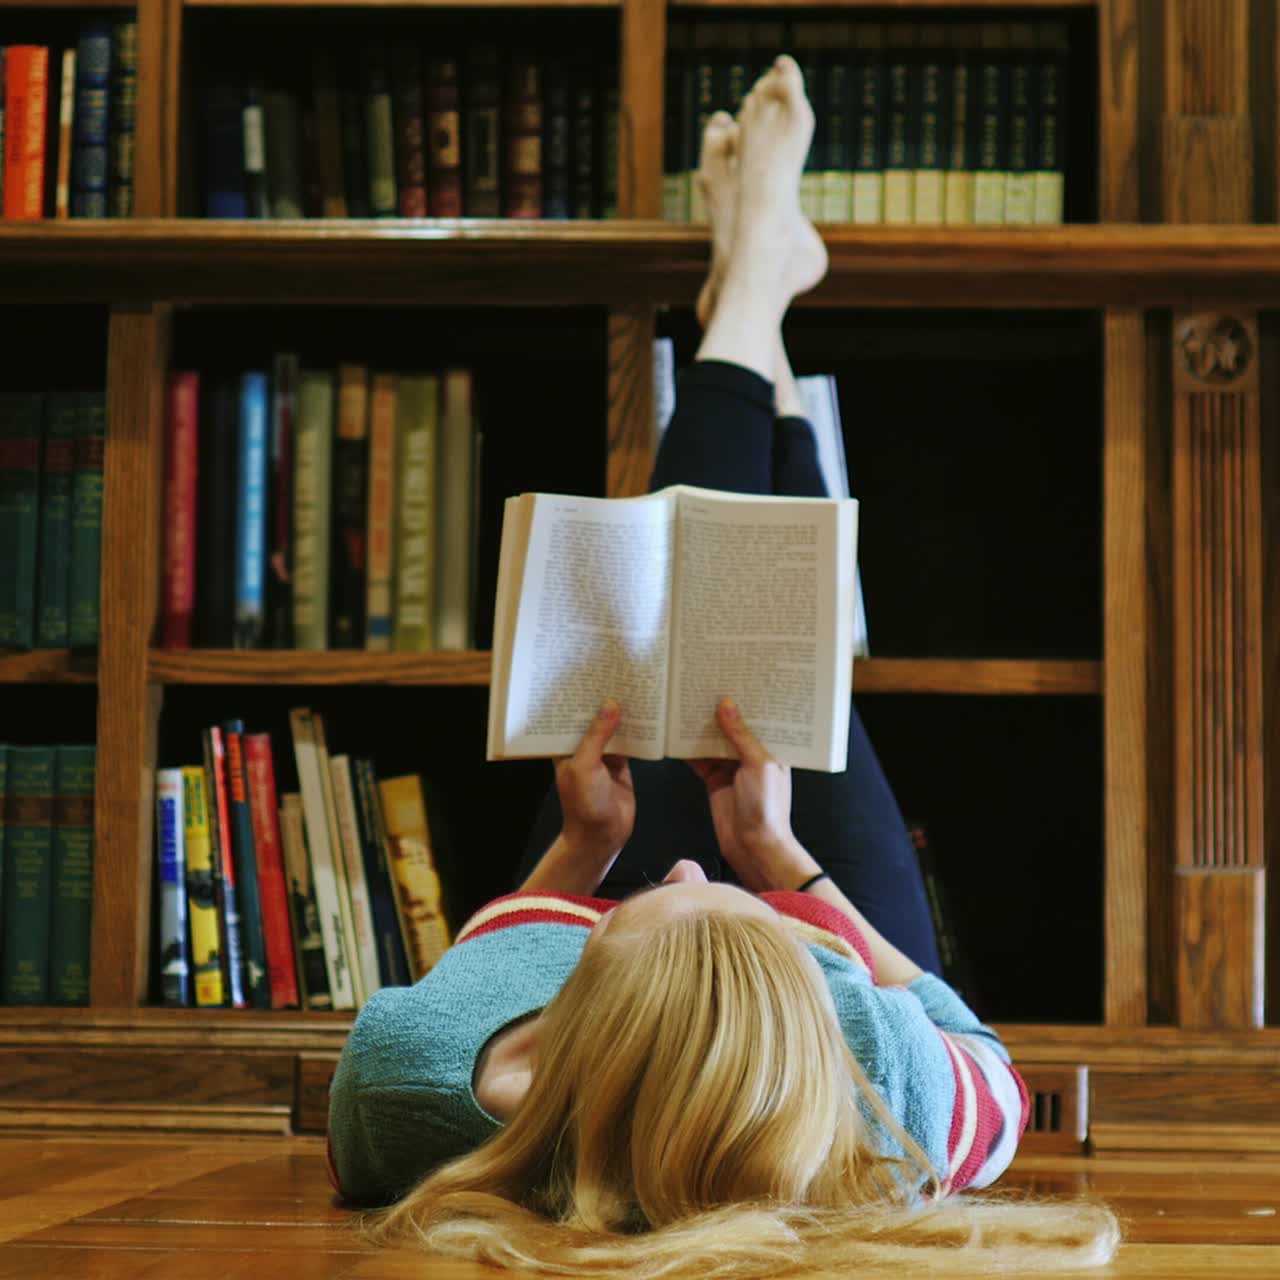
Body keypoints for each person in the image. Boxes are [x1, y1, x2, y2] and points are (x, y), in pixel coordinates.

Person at [327, 57, 1120, 1275]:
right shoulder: (876, 1078)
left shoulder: (422, 1082)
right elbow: (989, 1066)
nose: (688, 849)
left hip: (653, 986)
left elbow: (460, 994)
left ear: (558, 1031)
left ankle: (753, 304)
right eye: (724, 892)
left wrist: (584, 851)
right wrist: (779, 862)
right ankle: (754, 300)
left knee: (682, 597)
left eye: (641, 896)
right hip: (815, 955)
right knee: (798, 672)